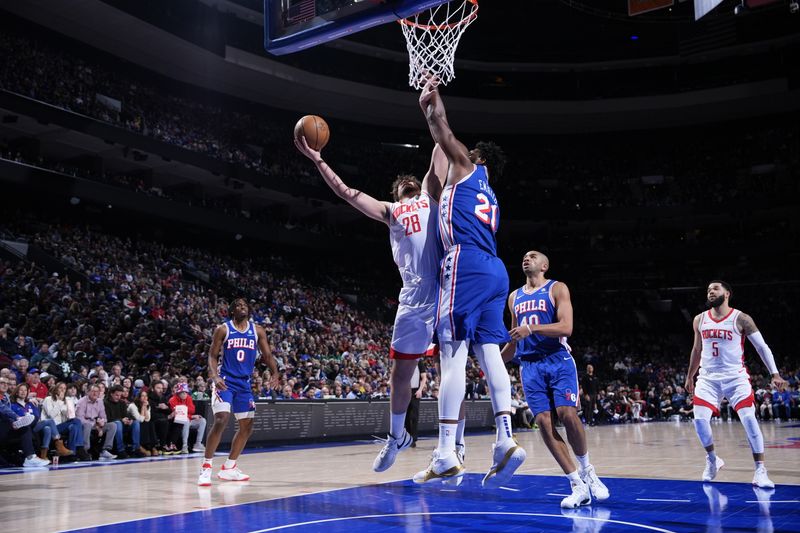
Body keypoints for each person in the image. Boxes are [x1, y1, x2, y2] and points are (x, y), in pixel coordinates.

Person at [295, 133, 448, 474]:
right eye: (400, 184)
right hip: (411, 298)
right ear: (396, 195)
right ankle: (397, 438)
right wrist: (318, 159)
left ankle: (455, 446)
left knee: (450, 369)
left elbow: (441, 148)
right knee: (399, 375)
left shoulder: (429, 195)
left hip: (442, 291)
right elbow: (345, 192)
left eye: (410, 179)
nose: (406, 182)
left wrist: (434, 103)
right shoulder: (390, 211)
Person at [414, 77, 525, 487]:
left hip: (465, 263)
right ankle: (505, 440)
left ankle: (446, 451)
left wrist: (432, 102)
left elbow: (441, 129)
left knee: (452, 353)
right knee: (490, 352)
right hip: (495, 269)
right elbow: (433, 184)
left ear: (474, 157)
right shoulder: (488, 192)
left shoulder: (466, 165)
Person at [502, 250, 609, 507]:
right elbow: (515, 339)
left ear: (544, 265)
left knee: (567, 413)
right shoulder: (514, 297)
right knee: (543, 422)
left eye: (533, 256)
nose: (526, 258)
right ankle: (576, 484)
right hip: (529, 366)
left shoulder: (557, 288)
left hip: (557, 359)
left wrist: (533, 328)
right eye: (524, 256)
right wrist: (491, 364)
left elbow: (566, 327)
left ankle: (587, 470)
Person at [684, 280, 787, 488]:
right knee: (700, 421)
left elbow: (762, 347)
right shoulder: (699, 319)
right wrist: (689, 376)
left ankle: (760, 470)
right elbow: (696, 350)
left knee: (749, 420)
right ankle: (713, 459)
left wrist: (774, 374)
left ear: (727, 293)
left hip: (735, 377)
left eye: (715, 289)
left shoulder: (742, 319)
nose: (711, 292)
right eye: (708, 290)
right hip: (708, 378)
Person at [198, 298, 279, 486]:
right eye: (238, 306)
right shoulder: (223, 329)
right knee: (221, 419)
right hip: (225, 381)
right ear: (232, 311)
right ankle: (206, 467)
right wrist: (214, 376)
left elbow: (267, 355)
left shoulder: (257, 330)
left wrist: (275, 373)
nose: (242, 307)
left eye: (245, 305)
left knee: (247, 426)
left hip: (244, 384)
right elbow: (212, 355)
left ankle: (229, 467)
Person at [75, 384, 117, 460]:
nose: (95, 393)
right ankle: (84, 450)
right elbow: (80, 419)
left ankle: (104, 450)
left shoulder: (100, 401)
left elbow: (104, 417)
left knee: (112, 425)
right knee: (87, 425)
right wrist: (96, 426)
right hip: (84, 426)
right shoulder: (81, 402)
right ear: (88, 392)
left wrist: (102, 422)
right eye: (93, 391)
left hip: (96, 425)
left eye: (97, 391)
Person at [169, 382, 206, 455]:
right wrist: (191, 416)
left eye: (185, 392)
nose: (184, 394)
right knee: (186, 420)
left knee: (202, 420)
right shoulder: (172, 400)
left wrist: (185, 411)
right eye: (182, 392)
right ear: (178, 393)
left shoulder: (189, 398)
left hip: (188, 419)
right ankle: (184, 446)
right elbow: (178, 414)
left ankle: (198, 444)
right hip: (177, 421)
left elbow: (192, 410)